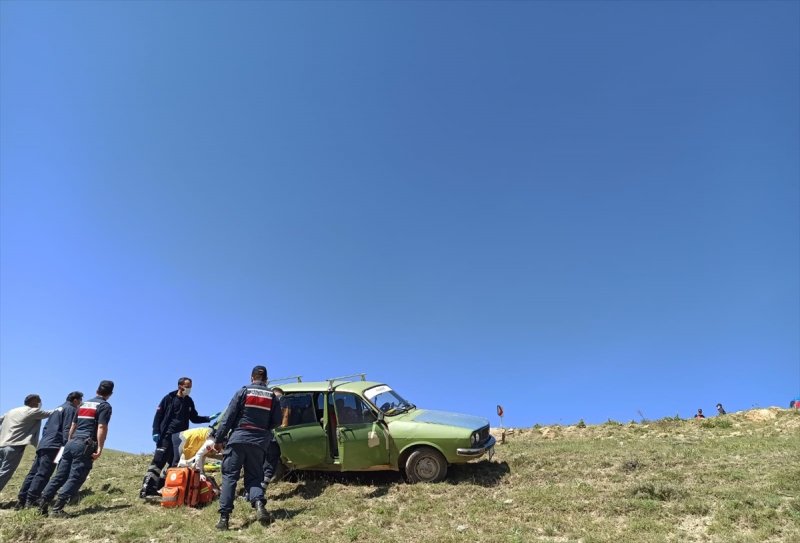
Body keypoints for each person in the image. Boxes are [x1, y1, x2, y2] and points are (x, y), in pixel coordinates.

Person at [213, 365, 282, 530]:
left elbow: (228, 417)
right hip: (258, 443)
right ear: (266, 379)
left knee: (230, 477)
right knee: (255, 477)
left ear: (252, 378)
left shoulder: (243, 392)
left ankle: (224, 519)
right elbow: (277, 421)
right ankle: (259, 504)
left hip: (238, 439)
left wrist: (219, 438)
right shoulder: (272, 396)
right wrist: (263, 429)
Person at [38, 380, 114, 517]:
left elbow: (73, 425)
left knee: (60, 476)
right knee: (76, 476)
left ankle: (42, 505)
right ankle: (57, 509)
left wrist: (69, 441)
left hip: (71, 443)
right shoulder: (104, 406)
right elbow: (102, 427)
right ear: (110, 394)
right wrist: (100, 448)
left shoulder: (83, 404)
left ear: (97, 390)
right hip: (85, 444)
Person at [140, 377, 219, 498]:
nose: (189, 389)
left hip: (180, 438)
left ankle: (163, 487)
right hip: (166, 435)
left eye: (190, 386)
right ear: (180, 386)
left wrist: (208, 418)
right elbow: (158, 415)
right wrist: (155, 431)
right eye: (187, 386)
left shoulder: (189, 401)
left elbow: (194, 418)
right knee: (158, 461)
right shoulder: (169, 398)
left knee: (174, 464)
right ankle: (146, 489)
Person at [15, 391, 83, 509]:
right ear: (75, 400)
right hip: (56, 447)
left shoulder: (57, 409)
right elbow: (67, 429)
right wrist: (68, 446)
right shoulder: (71, 409)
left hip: (44, 444)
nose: (80, 403)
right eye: (80, 400)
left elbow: (45, 428)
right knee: (44, 473)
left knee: (34, 472)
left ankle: (22, 499)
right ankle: (31, 500)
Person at [0, 394, 54, 494]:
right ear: (34, 401)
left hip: (2, 444)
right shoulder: (31, 411)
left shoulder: (12, 411)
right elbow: (50, 413)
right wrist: (62, 408)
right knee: (5, 473)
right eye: (39, 401)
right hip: (14, 446)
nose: (40, 404)